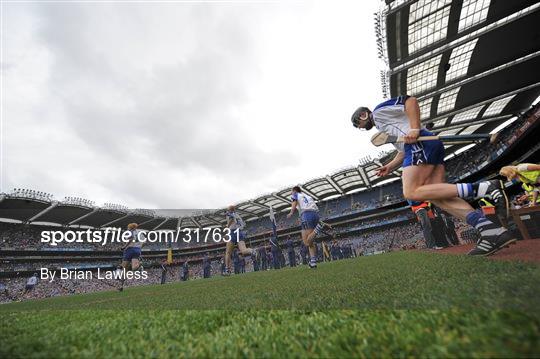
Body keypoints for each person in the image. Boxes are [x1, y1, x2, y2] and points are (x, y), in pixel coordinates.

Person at [351, 96, 516, 256]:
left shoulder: (379, 112)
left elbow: (410, 101)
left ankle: (485, 187)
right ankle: (490, 231)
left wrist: (415, 128)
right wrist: (390, 166)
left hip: (419, 145)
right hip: (422, 145)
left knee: (411, 193)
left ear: (363, 115)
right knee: (439, 197)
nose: (360, 127)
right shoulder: (384, 125)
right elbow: (402, 151)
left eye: (358, 123)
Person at [287, 186, 333, 268]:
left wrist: (291, 212)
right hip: (313, 215)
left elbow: (294, 203)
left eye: (291, 191)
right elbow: (314, 210)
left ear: (295, 190)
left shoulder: (295, 194)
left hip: (306, 215)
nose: (291, 193)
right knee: (308, 243)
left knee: (308, 242)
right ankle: (313, 262)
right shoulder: (308, 196)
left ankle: (318, 228)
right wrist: (324, 223)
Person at [224, 205, 256, 275]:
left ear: (229, 210)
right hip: (239, 232)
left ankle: (227, 270)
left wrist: (227, 228)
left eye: (227, 209)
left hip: (232, 232)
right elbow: (242, 224)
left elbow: (231, 219)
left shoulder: (230, 214)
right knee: (243, 250)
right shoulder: (238, 215)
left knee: (228, 252)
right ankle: (252, 251)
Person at [118, 223, 145, 291]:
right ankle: (140, 266)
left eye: (128, 227)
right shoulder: (140, 233)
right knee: (133, 268)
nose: (127, 228)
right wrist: (139, 248)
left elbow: (131, 239)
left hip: (130, 249)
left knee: (124, 269)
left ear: (131, 227)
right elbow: (144, 242)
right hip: (137, 250)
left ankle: (121, 285)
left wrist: (124, 247)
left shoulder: (130, 232)